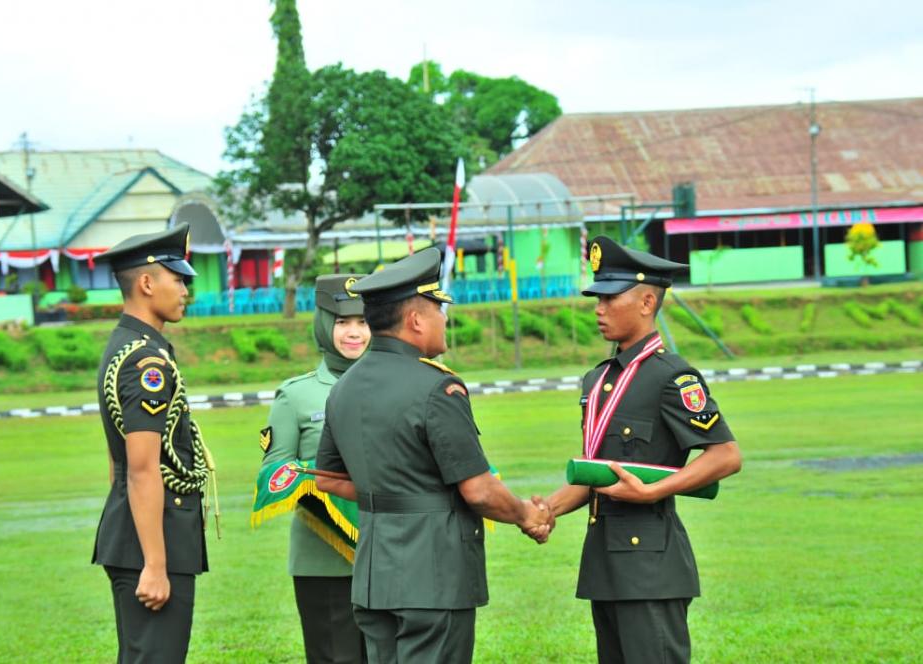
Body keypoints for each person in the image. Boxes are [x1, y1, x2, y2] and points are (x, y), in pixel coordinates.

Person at [314, 246, 551, 664]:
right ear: (415, 319)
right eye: (440, 309)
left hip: (373, 576)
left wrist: (389, 492)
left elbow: (328, 479)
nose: (446, 319)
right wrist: (526, 515)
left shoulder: (344, 387)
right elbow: (478, 491)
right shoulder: (438, 388)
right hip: (434, 576)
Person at [544, 235, 742, 664]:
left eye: (610, 298)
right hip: (604, 561)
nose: (598, 308)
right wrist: (546, 510)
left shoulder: (672, 377)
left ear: (647, 302)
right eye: (596, 298)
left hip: (651, 564)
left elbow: (725, 454)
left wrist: (654, 490)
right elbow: (598, 470)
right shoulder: (595, 380)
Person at [91, 224, 216, 663]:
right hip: (152, 539)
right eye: (178, 279)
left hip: (138, 533)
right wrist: (155, 564)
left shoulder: (130, 346)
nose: (185, 289)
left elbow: (117, 460)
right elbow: (142, 468)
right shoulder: (146, 362)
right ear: (147, 283)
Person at [255, 274, 370, 664]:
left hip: (390, 558)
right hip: (324, 565)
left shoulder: (396, 383)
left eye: (363, 321)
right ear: (324, 324)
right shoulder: (296, 395)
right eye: (342, 322)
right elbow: (273, 474)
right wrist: (321, 477)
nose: (354, 333)